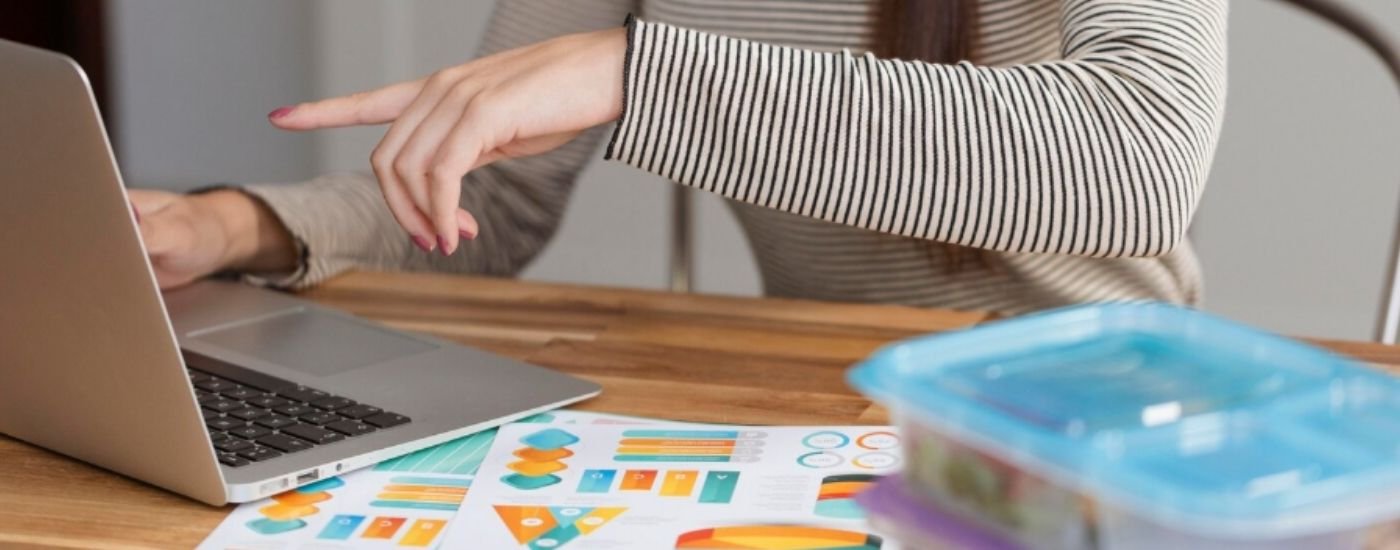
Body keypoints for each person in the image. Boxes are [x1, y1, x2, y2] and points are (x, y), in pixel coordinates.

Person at [130, 0, 1226, 314]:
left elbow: (1138, 157)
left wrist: (636, 72)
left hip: (1101, 424)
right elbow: (490, 200)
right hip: (829, 413)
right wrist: (225, 225)